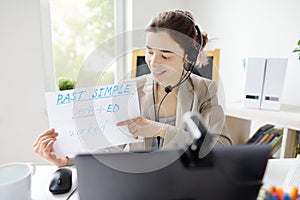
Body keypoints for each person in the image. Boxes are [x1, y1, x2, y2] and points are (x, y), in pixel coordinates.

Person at [33, 9, 232, 167]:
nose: (154, 62)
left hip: (186, 181)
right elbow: (109, 146)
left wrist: (162, 130)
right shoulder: (130, 89)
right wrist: (67, 160)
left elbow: (221, 148)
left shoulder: (205, 90)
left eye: (165, 55)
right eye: (149, 51)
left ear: (187, 57)